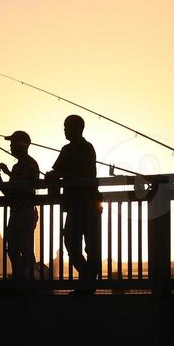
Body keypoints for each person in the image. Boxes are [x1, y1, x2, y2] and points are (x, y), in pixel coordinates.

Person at [47, 115, 100, 289]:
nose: (64, 130)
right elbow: (58, 170)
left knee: (91, 245)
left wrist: (61, 173)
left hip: (88, 203)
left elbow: (81, 170)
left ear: (77, 128)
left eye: (66, 127)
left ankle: (88, 281)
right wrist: (53, 175)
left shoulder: (86, 148)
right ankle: (87, 276)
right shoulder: (66, 149)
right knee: (70, 240)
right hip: (73, 205)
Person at [0, 131, 41, 283]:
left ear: (23, 145)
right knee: (13, 248)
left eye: (13, 143)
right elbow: (10, 191)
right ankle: (21, 278)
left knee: (24, 248)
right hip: (18, 213)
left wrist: (1, 176)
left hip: (24, 213)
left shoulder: (28, 164)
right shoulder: (19, 166)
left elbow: (15, 190)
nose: (10, 146)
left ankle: (27, 279)